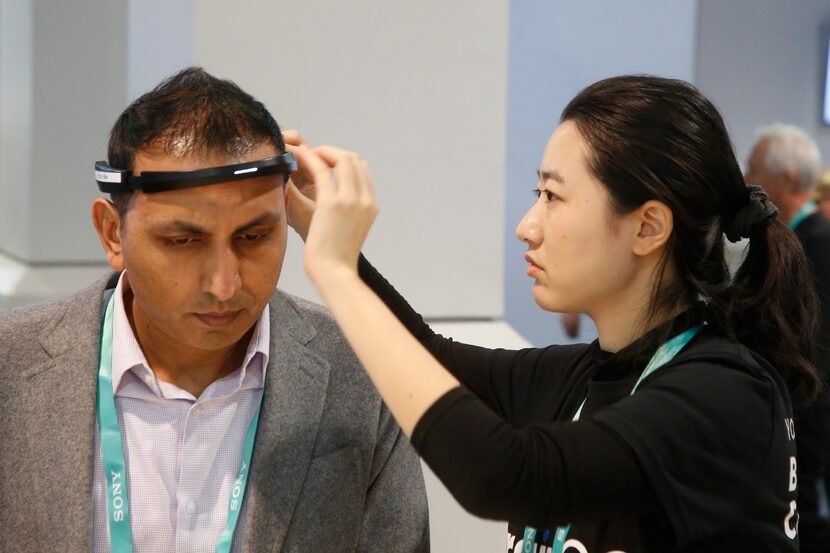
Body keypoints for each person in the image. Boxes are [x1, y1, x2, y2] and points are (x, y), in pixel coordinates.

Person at [286, 76, 821, 552]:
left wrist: (334, 270)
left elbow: (503, 475)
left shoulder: (728, 394)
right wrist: (320, 234)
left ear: (648, 227)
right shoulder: (580, 377)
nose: (528, 225)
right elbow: (425, 355)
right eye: (536, 192)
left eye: (552, 196)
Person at [0, 67, 429, 552]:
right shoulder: (10, 369)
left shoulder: (365, 375)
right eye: (183, 240)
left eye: (254, 237)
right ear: (112, 233)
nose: (225, 285)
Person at [745, 123, 830, 553]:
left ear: (787, 180)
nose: (745, 180)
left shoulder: (817, 244)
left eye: (753, 168)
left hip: (809, 409)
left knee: (806, 515)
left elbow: (815, 347)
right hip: (800, 406)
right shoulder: (800, 241)